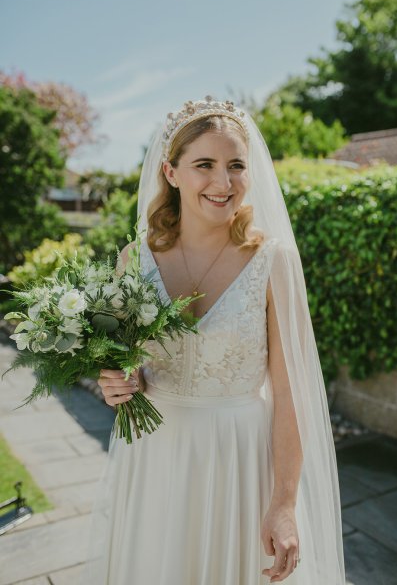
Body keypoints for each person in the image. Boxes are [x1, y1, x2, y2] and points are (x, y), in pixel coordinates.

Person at [79, 96, 346, 584]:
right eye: (205, 164)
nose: (224, 183)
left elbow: (293, 394)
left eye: (236, 166)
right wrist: (116, 382)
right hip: (154, 459)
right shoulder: (132, 261)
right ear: (171, 172)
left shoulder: (274, 261)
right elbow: (123, 365)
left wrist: (284, 503)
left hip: (241, 461)